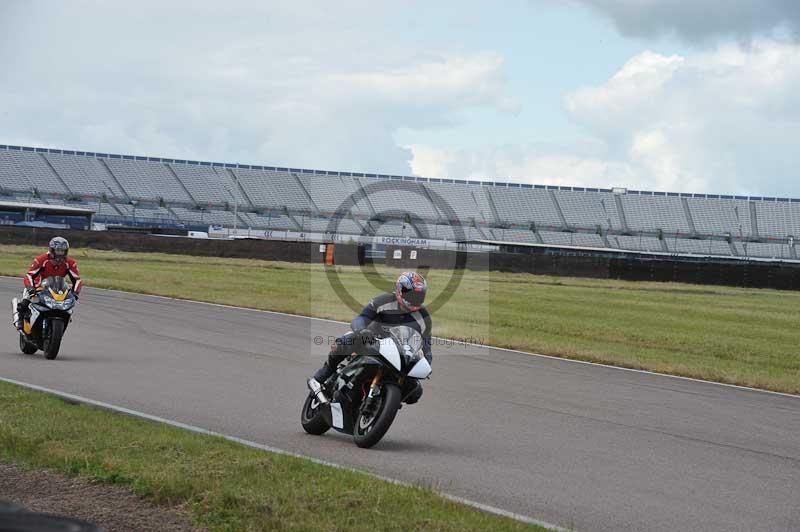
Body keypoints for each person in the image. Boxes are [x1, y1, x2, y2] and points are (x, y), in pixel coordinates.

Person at [308, 271, 432, 404]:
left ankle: (383, 403)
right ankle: (326, 372)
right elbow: (362, 318)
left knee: (415, 390)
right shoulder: (383, 301)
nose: (414, 298)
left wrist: (425, 364)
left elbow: (426, 347)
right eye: (411, 294)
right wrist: (363, 330)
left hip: (399, 355)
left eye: (418, 296)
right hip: (372, 342)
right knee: (349, 339)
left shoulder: (424, 318)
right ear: (400, 290)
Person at [16, 236, 83, 329]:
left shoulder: (70, 262)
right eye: (58, 250)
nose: (60, 253)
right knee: (24, 303)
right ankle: (20, 319)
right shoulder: (41, 259)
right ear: (52, 250)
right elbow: (29, 275)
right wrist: (31, 288)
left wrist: (75, 293)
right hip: (37, 285)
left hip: (57, 287)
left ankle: (65, 318)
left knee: (67, 304)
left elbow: (77, 280)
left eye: (62, 251)